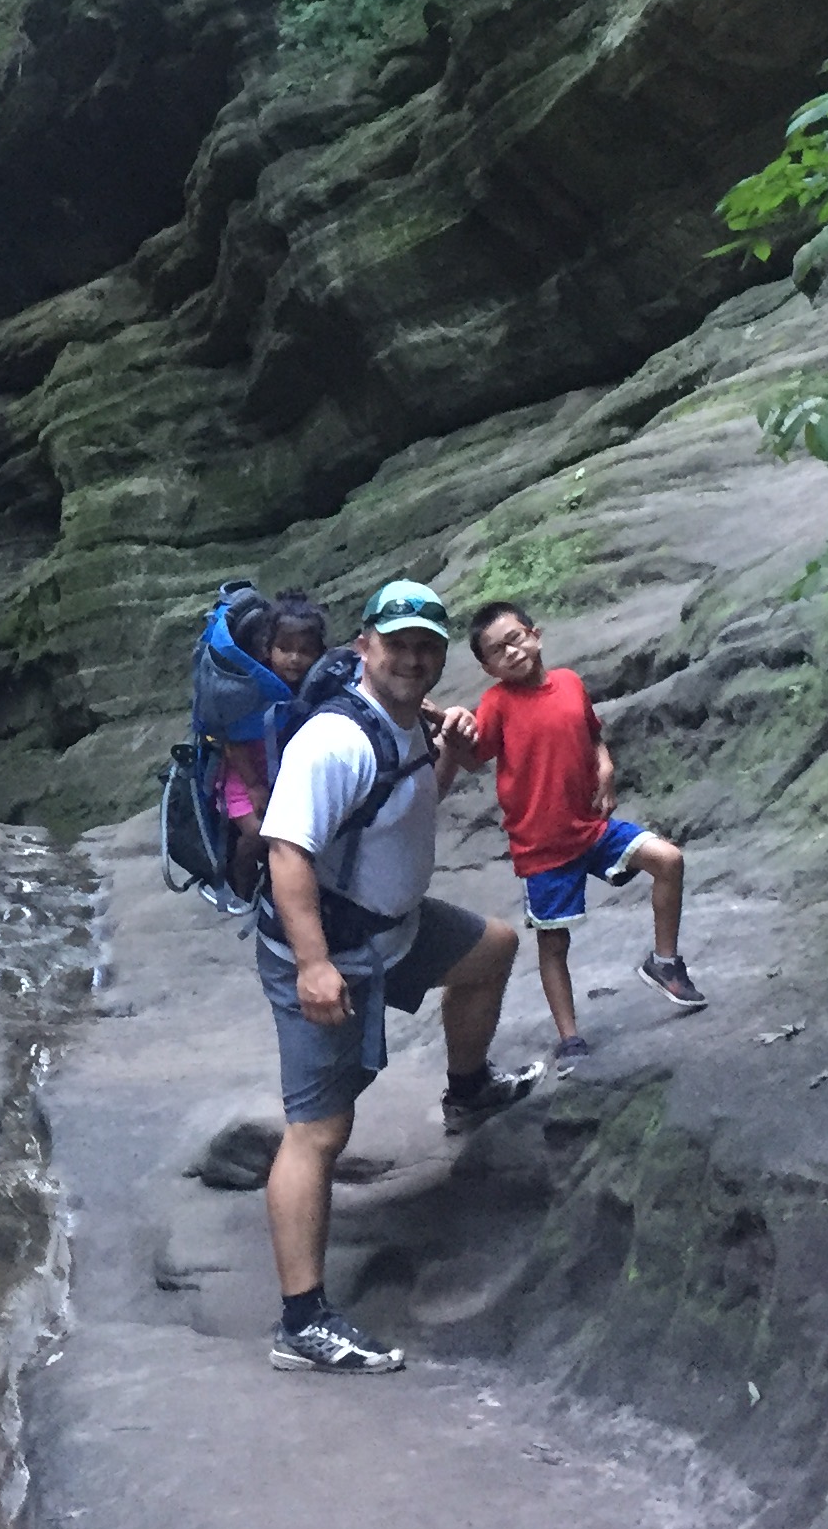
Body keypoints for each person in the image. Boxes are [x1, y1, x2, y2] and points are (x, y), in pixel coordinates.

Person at [256, 580, 537, 1376]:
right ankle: (302, 1322)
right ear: (363, 648)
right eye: (398, 643)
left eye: (426, 645)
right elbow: (288, 852)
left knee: (491, 950)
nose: (413, 657)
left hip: (398, 931)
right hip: (332, 949)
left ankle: (468, 1089)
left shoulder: (407, 725)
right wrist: (312, 966)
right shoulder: (334, 741)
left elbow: (403, 807)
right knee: (319, 1132)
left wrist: (447, 754)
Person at [457, 600, 706, 1059]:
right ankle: (569, 1036)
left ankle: (665, 963)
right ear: (487, 667)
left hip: (591, 828)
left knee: (668, 859)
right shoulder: (497, 704)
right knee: (554, 943)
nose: (511, 652)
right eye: (496, 651)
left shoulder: (569, 683)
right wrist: (452, 733)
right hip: (542, 847)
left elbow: (592, 733)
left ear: (536, 634)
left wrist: (605, 766)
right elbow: (477, 756)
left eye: (515, 638)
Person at [214, 592, 329, 878]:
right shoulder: (252, 688)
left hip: (289, 774)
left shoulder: (319, 686)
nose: (294, 658)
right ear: (268, 649)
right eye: (284, 648)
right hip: (246, 775)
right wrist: (254, 786)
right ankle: (241, 874)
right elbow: (234, 740)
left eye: (305, 651)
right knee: (257, 833)